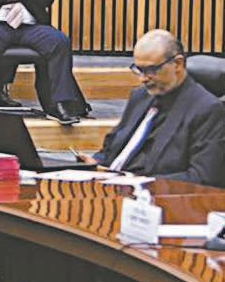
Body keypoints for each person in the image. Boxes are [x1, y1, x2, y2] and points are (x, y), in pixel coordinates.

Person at [93, 31, 225, 185]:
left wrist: (139, 181)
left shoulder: (207, 110)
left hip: (155, 194)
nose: (143, 79)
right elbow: (111, 148)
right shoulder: (140, 96)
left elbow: (202, 177)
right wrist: (95, 163)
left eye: (151, 70)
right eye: (139, 69)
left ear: (178, 64)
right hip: (110, 184)